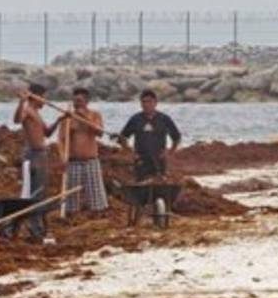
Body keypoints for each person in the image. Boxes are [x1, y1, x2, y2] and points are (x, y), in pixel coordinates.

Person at [48, 87, 109, 216]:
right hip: (73, 161)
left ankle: (97, 216)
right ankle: (72, 217)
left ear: (87, 101)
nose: (77, 103)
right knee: (71, 197)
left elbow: (99, 132)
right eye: (75, 100)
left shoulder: (95, 115)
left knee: (95, 194)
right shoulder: (68, 118)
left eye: (80, 100)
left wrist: (83, 117)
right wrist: (62, 158)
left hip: (91, 160)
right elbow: (61, 140)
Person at [12, 84, 53, 242]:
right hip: (32, 156)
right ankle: (34, 229)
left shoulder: (37, 113)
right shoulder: (27, 109)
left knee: (41, 193)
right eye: (43, 97)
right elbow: (16, 120)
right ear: (36, 96)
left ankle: (39, 229)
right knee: (32, 193)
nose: (45, 101)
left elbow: (48, 133)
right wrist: (21, 102)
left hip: (42, 155)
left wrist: (61, 119)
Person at [119, 90, 182, 182]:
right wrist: (130, 152)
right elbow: (123, 137)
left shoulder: (164, 119)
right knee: (141, 185)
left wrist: (169, 152)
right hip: (141, 161)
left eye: (149, 101)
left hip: (159, 160)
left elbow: (176, 137)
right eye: (143, 102)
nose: (146, 104)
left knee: (160, 186)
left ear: (155, 103)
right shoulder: (135, 119)